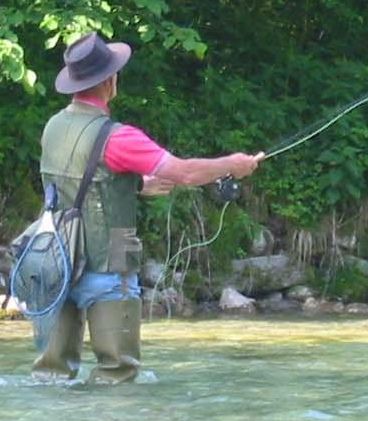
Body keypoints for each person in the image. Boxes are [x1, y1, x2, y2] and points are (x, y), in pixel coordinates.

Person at [34, 31, 262, 384]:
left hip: (56, 263)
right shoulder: (118, 136)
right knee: (117, 376)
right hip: (109, 263)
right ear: (110, 81)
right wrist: (232, 164)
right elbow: (184, 173)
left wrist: (137, 185)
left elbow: (75, 181)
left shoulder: (53, 128)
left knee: (50, 378)